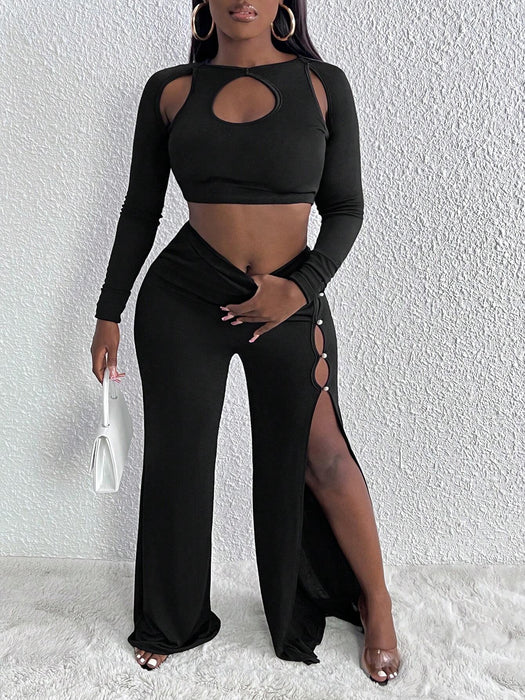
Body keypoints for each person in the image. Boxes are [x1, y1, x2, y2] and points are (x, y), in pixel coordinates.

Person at [90, 0, 401, 685]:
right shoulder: (170, 90)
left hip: (289, 296)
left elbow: (345, 207)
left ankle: (375, 602)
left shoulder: (322, 85)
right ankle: (170, 620)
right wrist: (108, 311)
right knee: (178, 462)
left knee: (324, 455)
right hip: (182, 298)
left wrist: (299, 288)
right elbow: (140, 208)